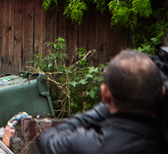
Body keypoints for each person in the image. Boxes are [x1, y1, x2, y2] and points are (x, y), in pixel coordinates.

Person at [38, 50, 168, 154]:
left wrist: (109, 104)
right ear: (162, 93)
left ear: (105, 94)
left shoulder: (88, 145)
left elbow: (48, 140)